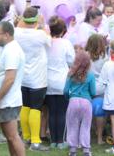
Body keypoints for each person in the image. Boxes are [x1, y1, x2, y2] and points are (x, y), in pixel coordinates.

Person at [15, 7, 51, 151]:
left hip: (23, 78)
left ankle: (26, 138)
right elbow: (50, 41)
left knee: (25, 107)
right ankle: (35, 142)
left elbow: (18, 25)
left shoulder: (17, 32)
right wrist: (42, 24)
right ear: (36, 19)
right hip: (38, 79)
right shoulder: (40, 34)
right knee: (35, 109)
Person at [0, 21, 26, 156]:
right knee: (10, 138)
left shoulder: (12, 51)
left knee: (13, 137)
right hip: (6, 100)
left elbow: (10, 79)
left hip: (8, 101)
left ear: (7, 34)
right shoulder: (9, 49)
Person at [46, 16, 74, 149]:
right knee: (62, 112)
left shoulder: (46, 42)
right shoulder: (66, 43)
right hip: (62, 81)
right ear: (63, 30)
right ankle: (61, 141)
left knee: (52, 111)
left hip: (48, 81)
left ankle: (53, 141)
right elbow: (72, 61)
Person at [63, 50, 95, 156]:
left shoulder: (71, 73)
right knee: (86, 126)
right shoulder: (90, 75)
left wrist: (69, 98)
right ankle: (86, 150)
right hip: (86, 102)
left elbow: (65, 90)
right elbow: (93, 92)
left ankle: (73, 150)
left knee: (72, 125)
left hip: (73, 101)